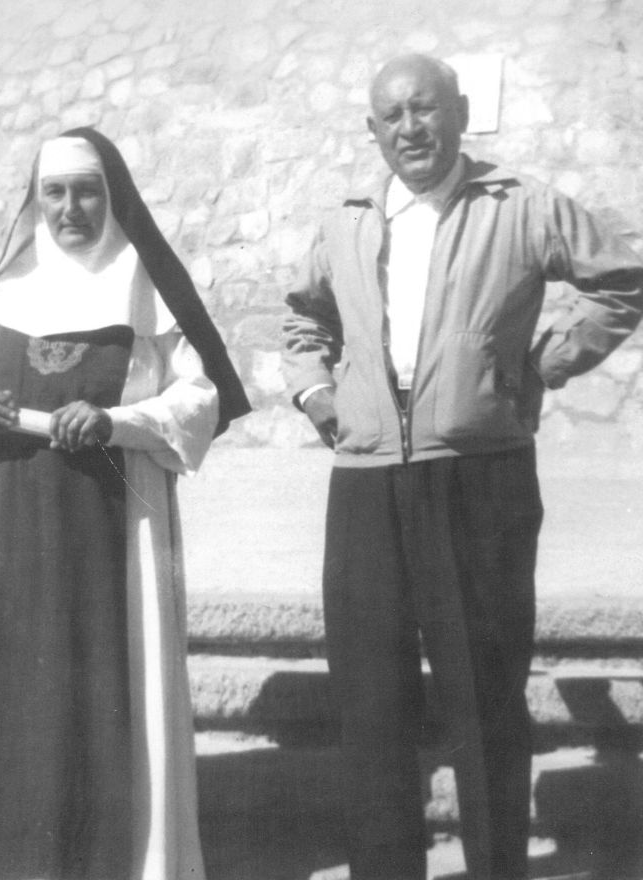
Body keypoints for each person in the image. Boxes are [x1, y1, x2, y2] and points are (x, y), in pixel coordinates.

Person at [282, 53, 643, 880]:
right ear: (373, 131)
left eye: (427, 108)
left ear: (460, 111)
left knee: (483, 700)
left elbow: (621, 279)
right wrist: (314, 397)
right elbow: (303, 319)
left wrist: (546, 361)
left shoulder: (519, 206)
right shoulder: (347, 220)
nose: (412, 128)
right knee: (371, 705)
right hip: (367, 479)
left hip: (480, 478)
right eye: (393, 116)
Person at [0, 128, 250, 880]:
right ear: (36, 202)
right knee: (9, 695)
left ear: (114, 196)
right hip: (10, 525)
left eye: (87, 191)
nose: (71, 208)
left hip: (117, 524)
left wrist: (116, 422)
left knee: (111, 691)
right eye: (55, 193)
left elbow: (198, 399)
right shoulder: (3, 298)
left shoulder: (148, 287)